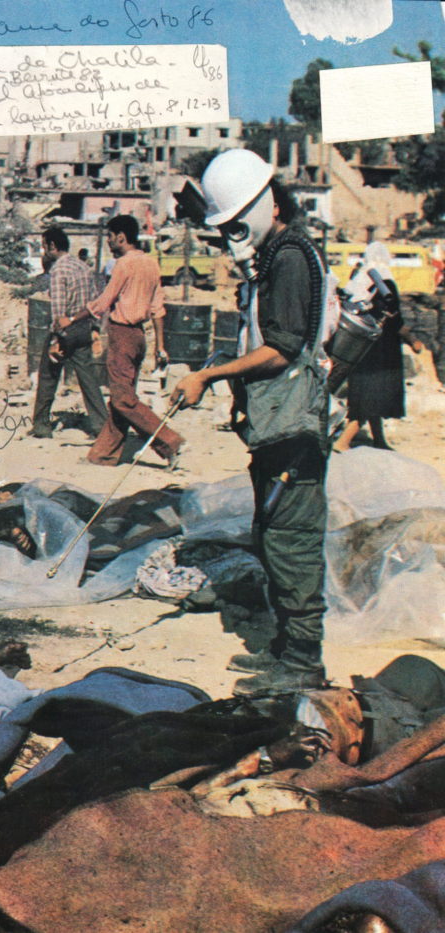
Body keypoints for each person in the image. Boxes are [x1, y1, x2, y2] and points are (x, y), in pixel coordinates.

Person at [172, 149, 330, 697]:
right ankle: (290, 651)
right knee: (273, 535)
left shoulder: (288, 258)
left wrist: (211, 375)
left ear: (263, 206)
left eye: (234, 222)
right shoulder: (277, 256)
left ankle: (305, 664)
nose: (232, 236)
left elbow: (283, 348)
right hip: (276, 427)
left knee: (292, 541)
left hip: (293, 430)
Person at [82, 214, 184, 467]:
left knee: (123, 399)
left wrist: (72, 318)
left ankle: (169, 440)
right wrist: (160, 346)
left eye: (110, 236)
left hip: (122, 335)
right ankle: (103, 455)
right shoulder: (151, 263)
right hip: (139, 337)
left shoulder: (123, 265)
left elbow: (103, 302)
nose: (108, 241)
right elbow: (158, 308)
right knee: (122, 397)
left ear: (121, 237)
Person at [334, 242, 424, 453]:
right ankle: (344, 441)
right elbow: (394, 319)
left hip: (360, 346)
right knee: (373, 395)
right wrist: (413, 340)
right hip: (381, 351)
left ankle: (379, 439)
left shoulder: (359, 282)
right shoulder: (385, 284)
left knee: (370, 393)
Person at [30, 227, 108, 439]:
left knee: (48, 376)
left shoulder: (59, 270)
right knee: (88, 378)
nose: (43, 251)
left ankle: (41, 426)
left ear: (52, 246)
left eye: (44, 246)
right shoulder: (83, 267)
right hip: (82, 327)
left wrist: (56, 338)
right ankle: (102, 426)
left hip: (65, 331)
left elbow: (58, 310)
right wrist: (93, 329)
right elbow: (93, 301)